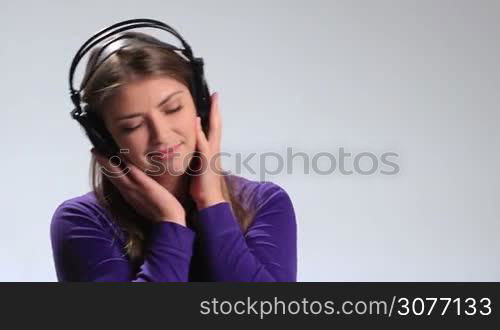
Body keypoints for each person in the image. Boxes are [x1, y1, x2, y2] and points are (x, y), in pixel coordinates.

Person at [50, 24, 297, 282]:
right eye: (132, 125)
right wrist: (170, 223)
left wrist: (211, 202)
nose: (162, 135)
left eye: (173, 108)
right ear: (105, 139)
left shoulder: (263, 204)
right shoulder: (82, 221)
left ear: (200, 105)